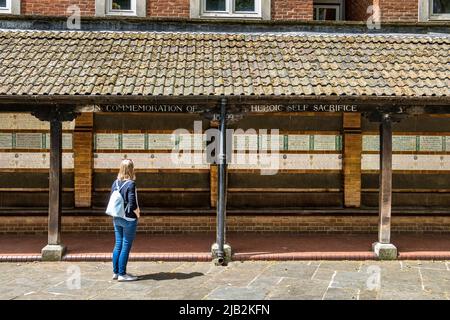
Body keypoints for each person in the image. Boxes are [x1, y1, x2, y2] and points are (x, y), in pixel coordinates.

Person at [111, 159, 140, 282]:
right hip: (128, 218)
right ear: (131, 169)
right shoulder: (130, 184)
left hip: (116, 217)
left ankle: (116, 272)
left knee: (118, 244)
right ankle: (122, 274)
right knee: (126, 245)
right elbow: (132, 203)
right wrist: (138, 213)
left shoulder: (115, 183)